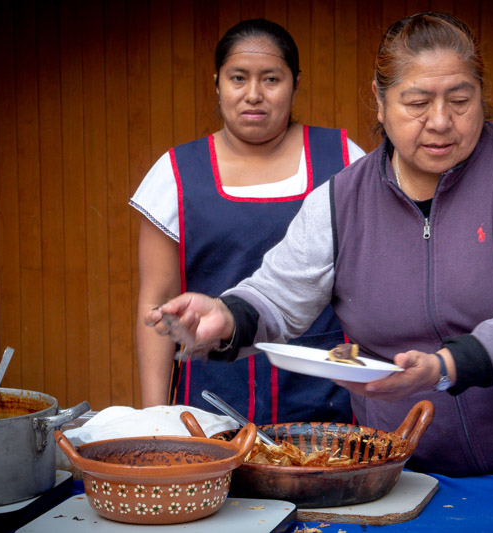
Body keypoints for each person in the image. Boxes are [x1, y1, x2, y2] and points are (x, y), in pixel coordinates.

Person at [144, 12, 493, 477]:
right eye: (417, 102)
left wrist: (444, 367)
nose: (440, 121)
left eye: (460, 99)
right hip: (408, 464)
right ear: (380, 99)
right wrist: (225, 319)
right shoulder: (341, 200)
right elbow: (276, 298)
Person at [131, 18, 365, 424]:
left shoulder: (344, 160)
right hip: (209, 405)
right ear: (217, 83)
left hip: (330, 406)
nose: (253, 95)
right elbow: (157, 307)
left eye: (271, 79)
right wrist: (156, 419)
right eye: (238, 78)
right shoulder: (176, 174)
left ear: (295, 83)